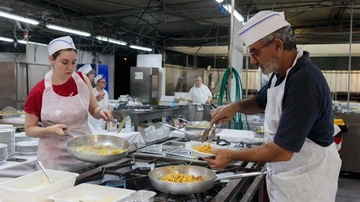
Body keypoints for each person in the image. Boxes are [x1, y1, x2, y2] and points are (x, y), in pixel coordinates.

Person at [204, 11, 341, 202]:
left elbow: (283, 150)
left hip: (308, 184)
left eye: (255, 52)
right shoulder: (281, 74)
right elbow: (260, 101)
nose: (252, 60)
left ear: (277, 45)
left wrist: (232, 155)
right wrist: (235, 107)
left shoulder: (304, 81)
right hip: (288, 177)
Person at [24, 36, 113, 171]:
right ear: (52, 59)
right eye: (64, 62)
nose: (70, 68)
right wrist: (49, 129)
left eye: (74, 62)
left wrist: (101, 112)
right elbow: (29, 129)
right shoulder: (39, 91)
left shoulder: (82, 80)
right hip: (54, 162)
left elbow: (93, 108)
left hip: (86, 155)